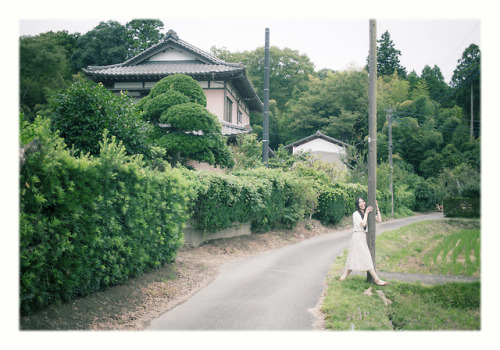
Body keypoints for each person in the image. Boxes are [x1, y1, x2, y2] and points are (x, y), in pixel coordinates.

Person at [339, 197, 389, 286]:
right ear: (357, 205)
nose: (362, 204)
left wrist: (377, 209)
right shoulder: (356, 214)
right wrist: (366, 213)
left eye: (363, 202)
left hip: (363, 236)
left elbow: (379, 220)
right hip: (358, 235)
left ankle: (343, 276)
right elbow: (363, 224)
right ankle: (377, 280)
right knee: (365, 257)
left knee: (353, 256)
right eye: (359, 203)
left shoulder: (368, 213)